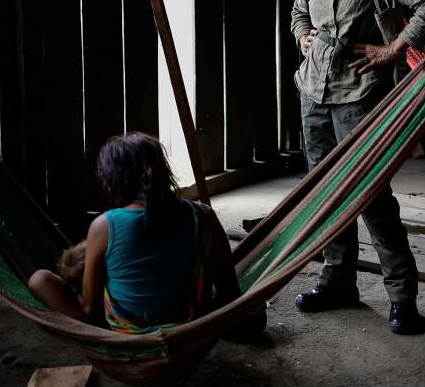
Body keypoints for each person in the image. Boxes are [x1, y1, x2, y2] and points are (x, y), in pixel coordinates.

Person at [283, 0, 425, 334]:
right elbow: (300, 11)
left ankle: (402, 298)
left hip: (360, 97)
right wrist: (302, 35)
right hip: (312, 93)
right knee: (326, 195)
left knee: (371, 196)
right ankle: (337, 283)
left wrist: (394, 48)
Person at [28, 133, 261, 336]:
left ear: (114, 180)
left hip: (128, 334)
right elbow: (229, 292)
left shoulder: (104, 226)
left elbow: (90, 309)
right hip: (190, 331)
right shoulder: (204, 216)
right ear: (164, 172)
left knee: (39, 279)